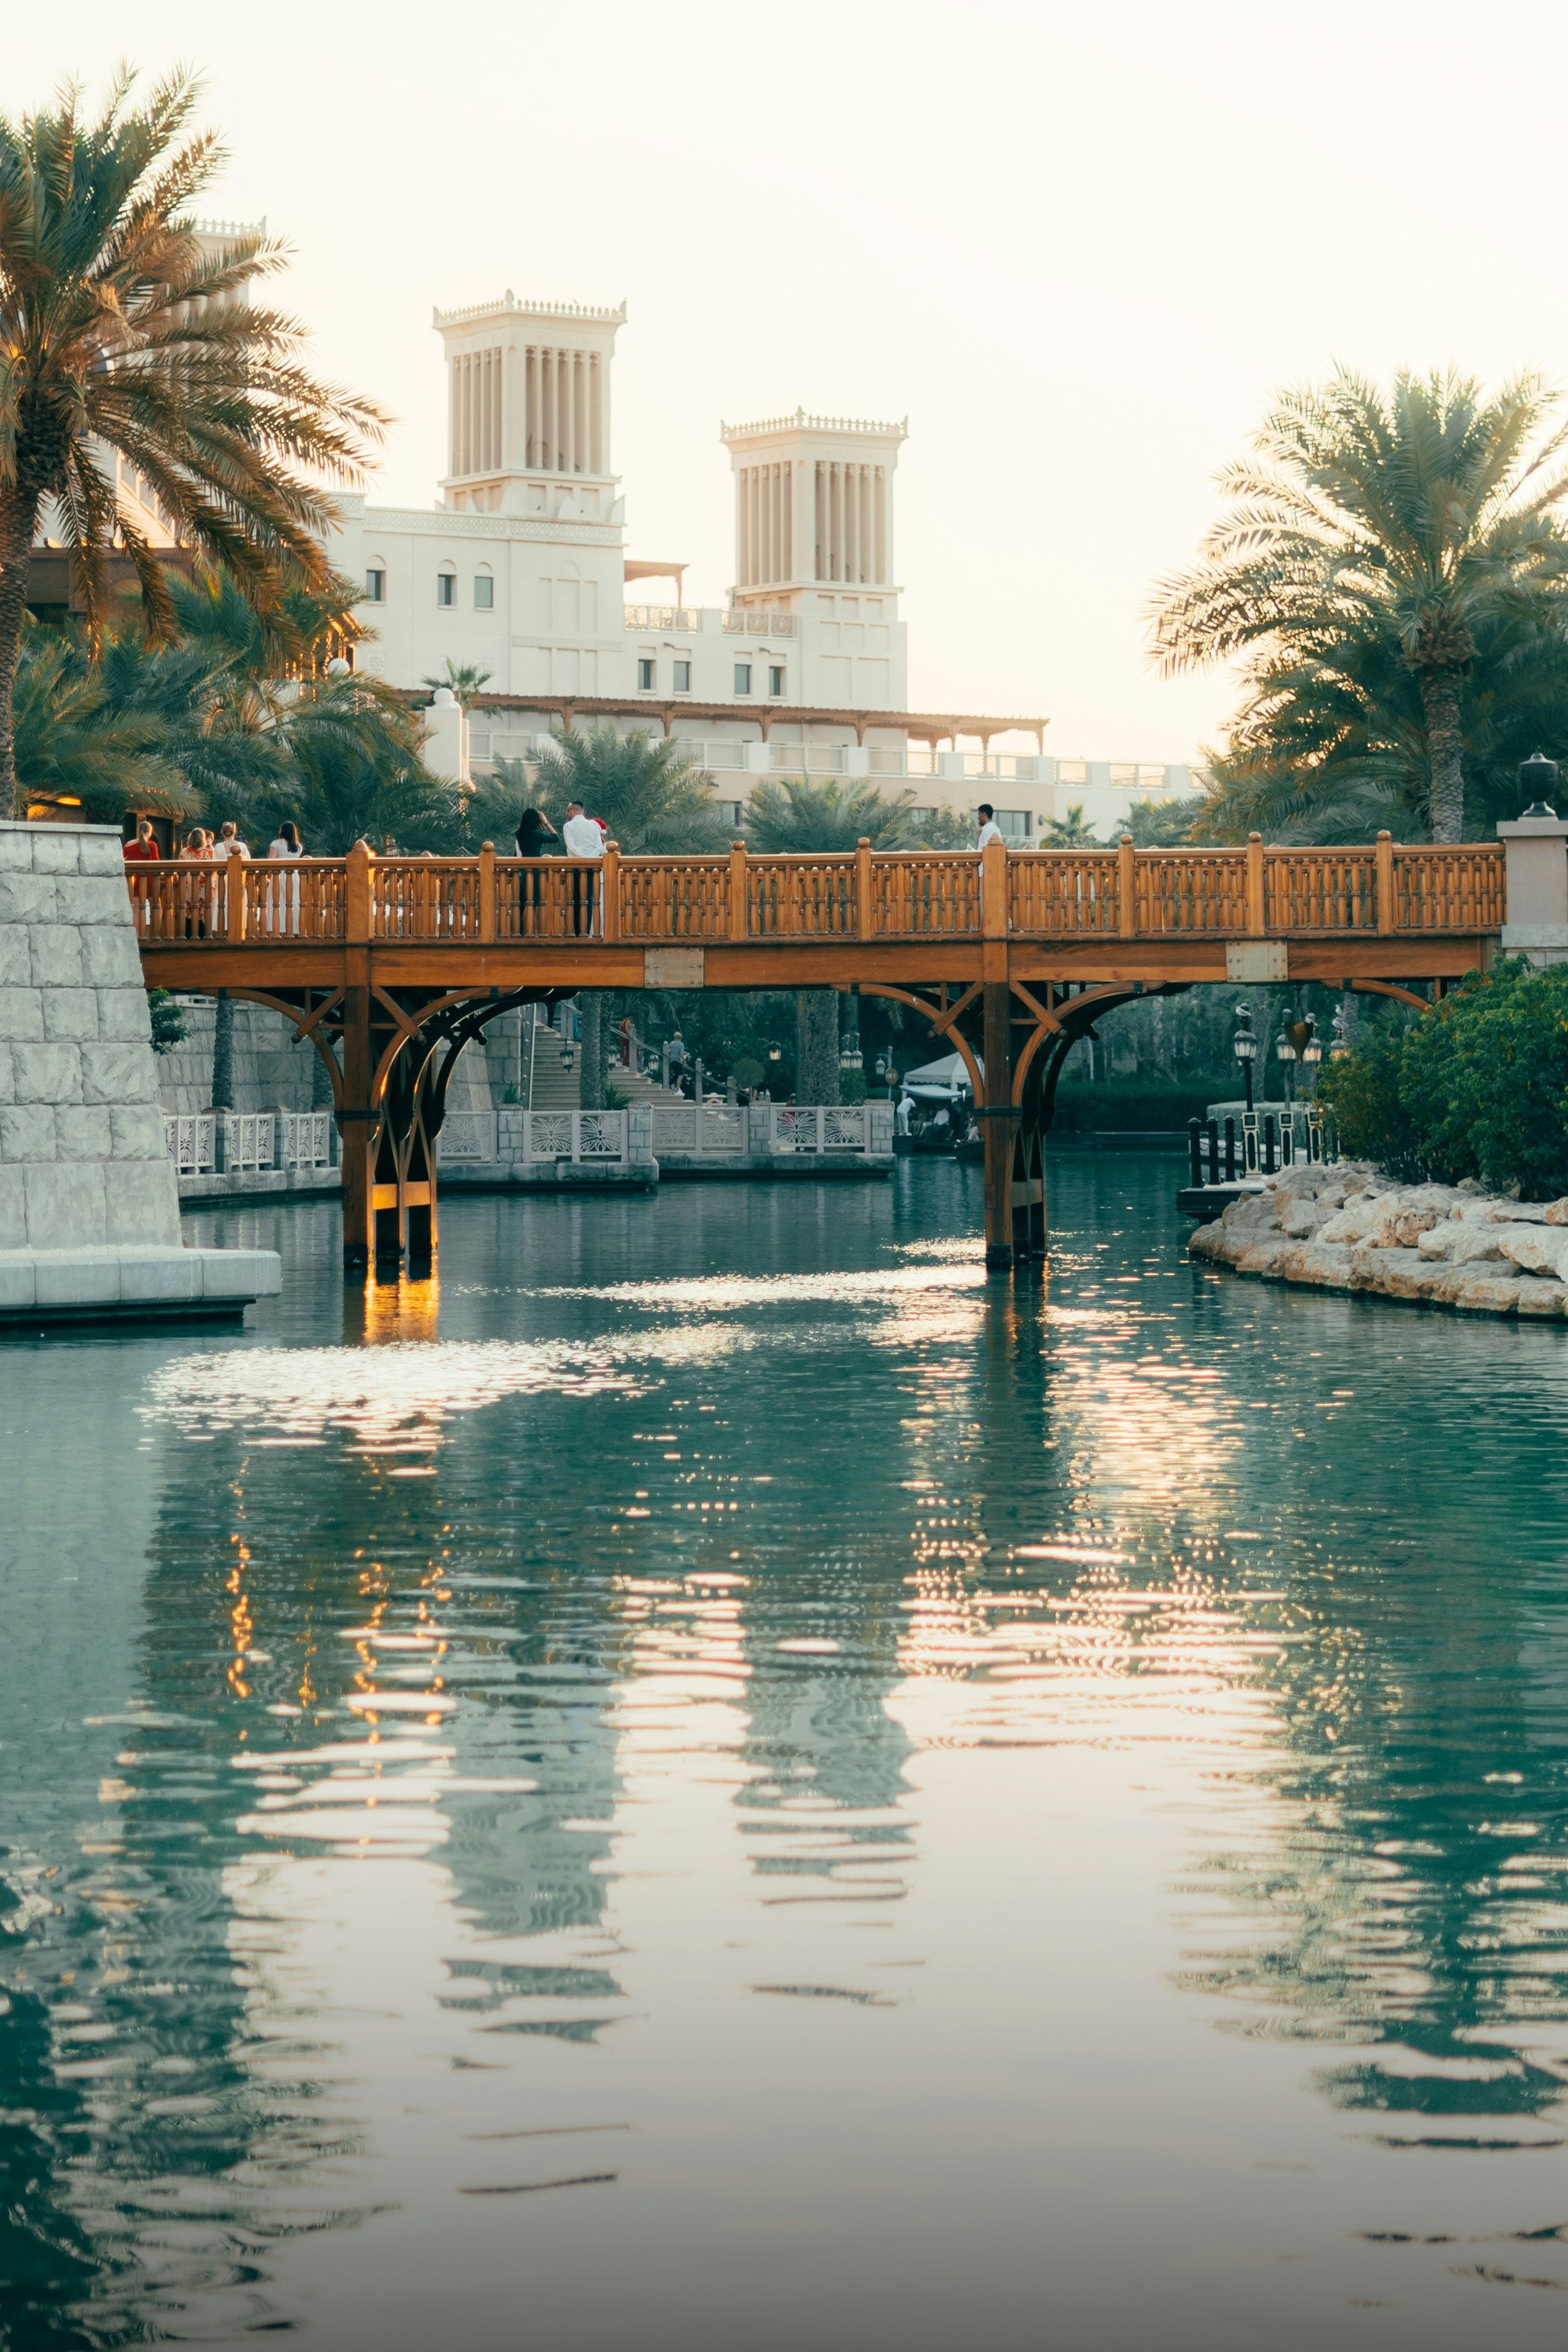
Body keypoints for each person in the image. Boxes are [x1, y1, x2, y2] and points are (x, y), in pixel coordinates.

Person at [561, 799, 604, 936]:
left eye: (568, 811)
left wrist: (582, 859)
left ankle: (578, 931)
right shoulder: (594, 825)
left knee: (575, 898)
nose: (567, 814)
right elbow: (599, 846)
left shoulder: (568, 826)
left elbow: (571, 847)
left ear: (573, 811)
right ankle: (587, 931)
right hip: (592, 866)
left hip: (575, 866)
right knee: (589, 898)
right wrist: (589, 859)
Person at [514, 806, 557, 934]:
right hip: (536, 870)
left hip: (523, 869)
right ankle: (536, 931)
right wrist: (546, 822)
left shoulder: (519, 834)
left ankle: (523, 931)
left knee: (525, 901)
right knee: (536, 901)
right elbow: (556, 838)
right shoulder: (537, 834)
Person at [267, 819, 303, 934]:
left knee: (277, 903)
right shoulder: (298, 847)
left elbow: (270, 862)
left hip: (279, 876)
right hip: (294, 877)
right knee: (294, 902)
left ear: (282, 831)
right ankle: (296, 929)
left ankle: (278, 929)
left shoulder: (276, 844)